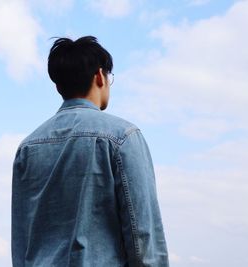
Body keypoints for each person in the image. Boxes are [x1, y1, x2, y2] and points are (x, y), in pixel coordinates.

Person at [12, 36, 169, 267]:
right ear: (99, 76)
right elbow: (143, 239)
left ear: (58, 86)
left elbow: (21, 243)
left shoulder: (27, 148)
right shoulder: (122, 137)